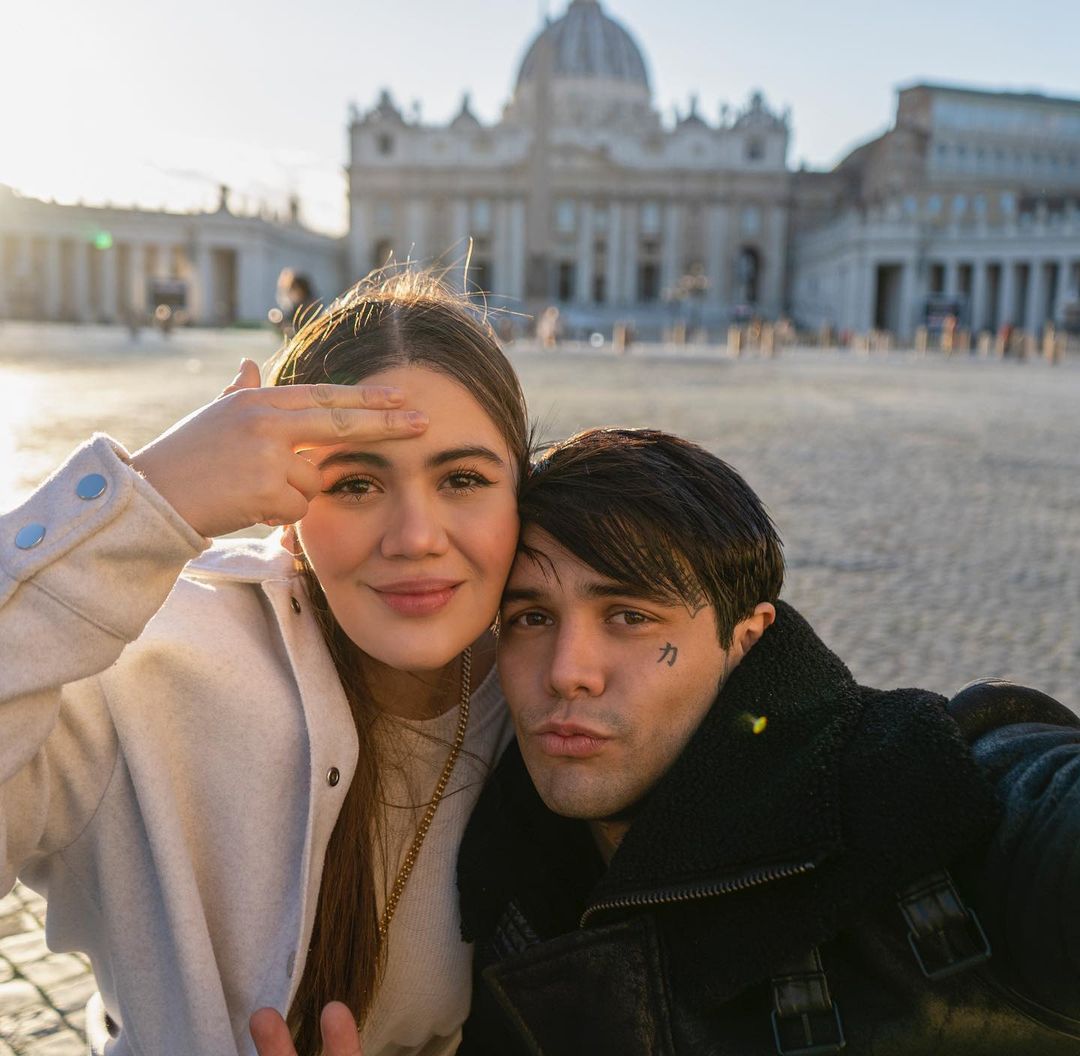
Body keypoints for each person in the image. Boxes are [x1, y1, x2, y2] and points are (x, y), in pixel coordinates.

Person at [0, 270, 530, 1056]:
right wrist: (153, 494)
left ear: (525, 494)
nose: (416, 535)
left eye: (462, 479)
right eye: (354, 483)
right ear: (287, 517)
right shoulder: (140, 670)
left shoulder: (559, 702)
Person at [456, 428, 1080, 1055]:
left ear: (745, 638)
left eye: (630, 616)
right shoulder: (475, 862)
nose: (567, 671)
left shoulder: (930, 798)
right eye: (531, 618)